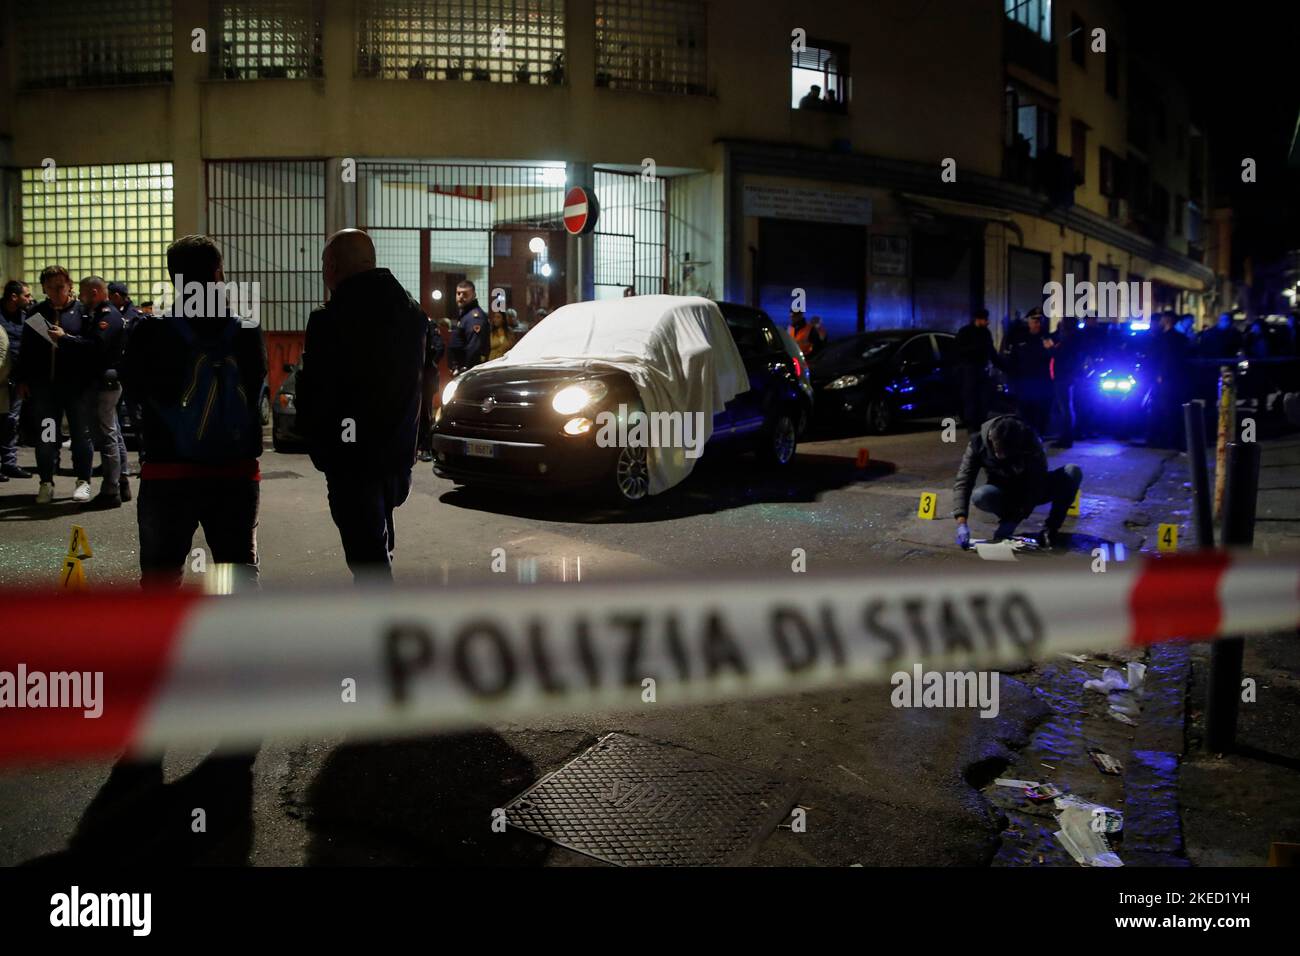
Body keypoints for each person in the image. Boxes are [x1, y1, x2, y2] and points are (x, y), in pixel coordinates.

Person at [122, 235, 266, 588]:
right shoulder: (246, 331)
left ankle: (163, 642)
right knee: (238, 577)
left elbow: (134, 393)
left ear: (173, 278)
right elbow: (256, 394)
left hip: (167, 474)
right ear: (219, 272)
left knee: (161, 579)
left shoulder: (150, 331)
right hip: (235, 474)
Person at [294, 229, 426, 583]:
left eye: (324, 264)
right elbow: (425, 383)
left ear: (333, 266)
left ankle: (378, 628)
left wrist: (321, 447)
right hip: (397, 456)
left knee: (367, 559)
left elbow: (316, 391)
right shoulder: (412, 314)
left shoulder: (329, 320)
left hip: (351, 460)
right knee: (378, 544)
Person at [12, 265, 96, 504]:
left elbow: (92, 346)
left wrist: (66, 339)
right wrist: (22, 379)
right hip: (45, 391)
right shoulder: (37, 315)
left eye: (60, 287)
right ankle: (46, 481)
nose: (56, 292)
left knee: (81, 435)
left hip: (76, 389)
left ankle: (83, 482)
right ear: (44, 289)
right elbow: (25, 351)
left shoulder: (83, 312)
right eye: (50, 288)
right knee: (47, 436)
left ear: (69, 285)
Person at [952, 413, 1083, 549]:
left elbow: (1036, 484)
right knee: (981, 496)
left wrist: (1014, 519)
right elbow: (963, 482)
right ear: (990, 436)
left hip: (1030, 488)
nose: (1003, 456)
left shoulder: (1030, 440)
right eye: (999, 452)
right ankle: (1007, 517)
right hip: (1003, 492)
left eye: (1007, 453)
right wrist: (961, 523)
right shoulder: (977, 443)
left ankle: (1050, 529)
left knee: (1072, 472)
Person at [76, 276, 129, 506]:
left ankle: (111, 490)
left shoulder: (107, 316)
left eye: (83, 292)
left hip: (104, 382)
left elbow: (95, 346)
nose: (80, 297)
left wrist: (65, 339)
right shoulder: (105, 314)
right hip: (108, 381)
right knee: (113, 433)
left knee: (107, 436)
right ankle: (122, 483)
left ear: (96, 291)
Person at [0, 280, 34, 481]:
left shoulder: (27, 317)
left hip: (17, 378)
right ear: (14, 297)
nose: (29, 299)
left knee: (12, 421)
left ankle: (9, 462)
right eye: (26, 295)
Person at [1003, 308, 1054, 436]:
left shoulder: (1046, 337)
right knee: (1024, 412)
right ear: (1029, 321)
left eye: (1040, 321)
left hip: (1041, 382)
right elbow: (1012, 361)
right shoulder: (1019, 337)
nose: (1038, 324)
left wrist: (1050, 349)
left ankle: (1039, 436)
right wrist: (1011, 381)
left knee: (1041, 412)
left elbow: (1053, 358)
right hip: (1023, 382)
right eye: (1035, 321)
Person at [1145, 310, 1190, 449]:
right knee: (1173, 410)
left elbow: (1165, 358)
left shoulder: (1164, 338)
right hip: (1176, 379)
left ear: (1167, 320)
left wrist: (1160, 375)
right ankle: (1173, 440)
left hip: (1165, 379)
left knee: (1164, 409)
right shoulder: (1181, 338)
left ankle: (1164, 440)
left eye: (1163, 319)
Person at [954, 307, 1002, 431]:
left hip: (982, 370)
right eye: (985, 320)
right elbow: (959, 351)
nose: (987, 322)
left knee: (983, 400)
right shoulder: (965, 332)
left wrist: (1003, 366)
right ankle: (972, 426)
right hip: (969, 371)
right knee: (971, 399)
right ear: (978, 320)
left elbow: (992, 352)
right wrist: (977, 350)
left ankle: (980, 424)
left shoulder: (986, 333)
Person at [416, 314, 445, 464]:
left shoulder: (427, 324)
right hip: (413, 376)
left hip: (426, 377)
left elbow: (439, 347)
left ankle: (426, 446)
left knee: (425, 412)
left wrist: (427, 363)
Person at [1050, 316, 1082, 448]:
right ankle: (1066, 436)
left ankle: (1066, 438)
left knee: (1065, 408)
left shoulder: (1068, 340)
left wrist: (1051, 349)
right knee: (1067, 407)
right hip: (1066, 376)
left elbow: (1061, 357)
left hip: (1063, 376)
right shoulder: (1073, 338)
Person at [447, 280, 488, 374]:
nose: (460, 297)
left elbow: (474, 348)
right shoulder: (465, 315)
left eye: (465, 294)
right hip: (461, 369)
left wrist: (465, 369)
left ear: (473, 295)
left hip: (467, 371)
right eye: (458, 293)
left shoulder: (474, 317)